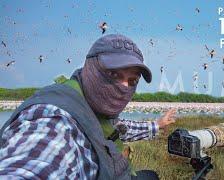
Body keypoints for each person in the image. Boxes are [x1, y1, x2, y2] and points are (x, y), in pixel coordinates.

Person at [0, 34, 177, 179]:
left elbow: (117, 128)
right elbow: (38, 160)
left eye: (132, 80)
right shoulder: (54, 120)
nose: (124, 86)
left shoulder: (92, 108)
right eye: (113, 73)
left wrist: (157, 124)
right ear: (89, 67)